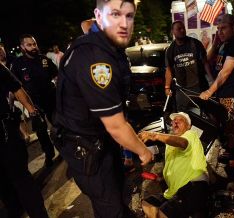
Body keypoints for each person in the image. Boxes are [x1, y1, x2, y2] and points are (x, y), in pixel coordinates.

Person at [54, 0, 153, 217]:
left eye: (129, 16)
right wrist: (143, 151)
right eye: (115, 15)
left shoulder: (100, 40)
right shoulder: (97, 60)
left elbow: (86, 24)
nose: (124, 23)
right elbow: (116, 126)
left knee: (115, 198)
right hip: (85, 145)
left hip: (97, 140)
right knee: (113, 210)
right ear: (99, 17)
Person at [199, 14, 234, 168]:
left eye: (224, 28)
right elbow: (205, 61)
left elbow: (225, 73)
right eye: (218, 29)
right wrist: (213, 45)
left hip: (232, 94)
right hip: (222, 93)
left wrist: (209, 91)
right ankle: (228, 165)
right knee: (224, 131)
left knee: (232, 132)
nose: (220, 31)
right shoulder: (224, 44)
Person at [0, 63, 49, 218]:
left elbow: (16, 89)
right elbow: (17, 89)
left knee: (19, 181)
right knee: (14, 184)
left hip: (5, 133)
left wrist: (33, 112)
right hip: (6, 132)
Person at [139, 112, 209, 218]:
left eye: (180, 120)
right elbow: (175, 165)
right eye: (173, 121)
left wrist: (153, 135)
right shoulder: (170, 144)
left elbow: (183, 143)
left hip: (193, 185)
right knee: (147, 203)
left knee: (162, 213)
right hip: (173, 191)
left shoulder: (190, 135)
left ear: (188, 126)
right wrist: (162, 178)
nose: (175, 122)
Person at [11, 34, 57, 167]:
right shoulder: (17, 64)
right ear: (22, 47)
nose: (33, 47)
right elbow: (15, 86)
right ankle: (49, 154)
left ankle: (66, 150)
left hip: (51, 100)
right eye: (29, 45)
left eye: (34, 44)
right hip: (34, 104)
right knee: (41, 131)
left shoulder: (44, 60)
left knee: (59, 126)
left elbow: (57, 75)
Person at [165, 21, 213, 112]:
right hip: (181, 90)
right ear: (173, 32)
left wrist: (211, 81)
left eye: (183, 28)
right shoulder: (170, 50)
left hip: (199, 87)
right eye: (179, 29)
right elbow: (168, 70)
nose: (182, 30)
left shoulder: (195, 44)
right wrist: (167, 87)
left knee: (201, 114)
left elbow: (205, 63)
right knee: (183, 116)